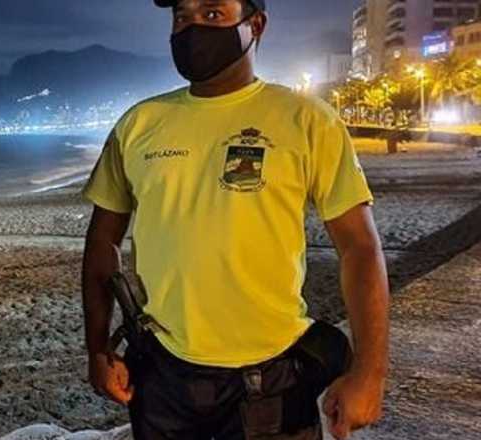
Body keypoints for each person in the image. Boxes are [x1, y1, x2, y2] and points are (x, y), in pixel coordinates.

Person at [80, 1, 389, 439]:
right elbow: (101, 242)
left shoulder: (307, 121)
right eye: (182, 17)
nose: (191, 30)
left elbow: (360, 247)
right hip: (162, 376)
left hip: (274, 380)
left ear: (255, 25)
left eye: (212, 15)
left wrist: (369, 373)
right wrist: (97, 350)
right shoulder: (139, 124)